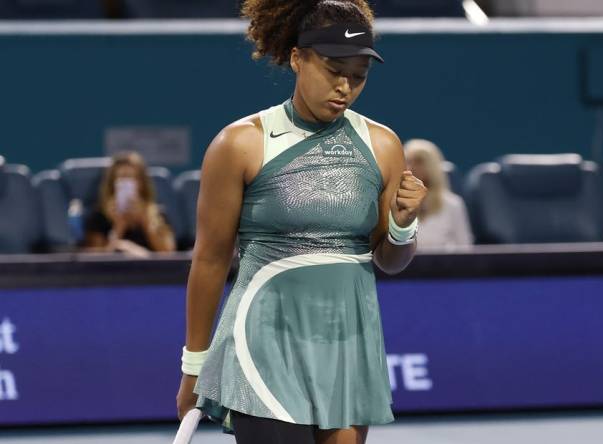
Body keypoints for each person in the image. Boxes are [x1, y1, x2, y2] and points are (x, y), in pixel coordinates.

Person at [174, 1, 427, 443]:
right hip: (263, 343)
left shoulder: (383, 145)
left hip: (348, 343)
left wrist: (403, 225)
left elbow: (390, 261)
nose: (344, 87)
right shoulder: (240, 144)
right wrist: (193, 367)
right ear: (297, 58)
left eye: (358, 76)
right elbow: (211, 260)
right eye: (333, 70)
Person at [82, 151, 176, 256]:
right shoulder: (98, 217)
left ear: (142, 183)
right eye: (122, 177)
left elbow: (168, 255)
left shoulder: (158, 215)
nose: (127, 183)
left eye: (132, 178)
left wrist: (145, 221)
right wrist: (118, 227)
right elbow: (95, 262)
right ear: (112, 183)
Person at [404, 139, 473, 249]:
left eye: (419, 162)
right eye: (408, 161)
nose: (411, 168)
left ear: (432, 166)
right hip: (406, 265)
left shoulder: (453, 204)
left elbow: (465, 247)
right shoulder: (395, 203)